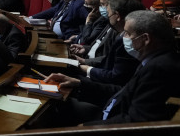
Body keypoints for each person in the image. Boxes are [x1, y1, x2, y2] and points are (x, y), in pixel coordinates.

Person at [48, 11, 180, 125]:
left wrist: (89, 127)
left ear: (145, 39)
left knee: (54, 112)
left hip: (113, 129)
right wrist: (79, 83)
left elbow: (137, 121)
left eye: (127, 33)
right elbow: (124, 91)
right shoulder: (152, 59)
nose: (123, 37)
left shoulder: (159, 69)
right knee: (59, 102)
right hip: (111, 111)